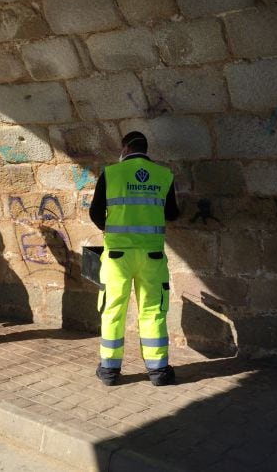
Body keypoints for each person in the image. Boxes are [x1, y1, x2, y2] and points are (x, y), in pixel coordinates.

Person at [88, 131, 180, 386]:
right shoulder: (164, 176)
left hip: (118, 257)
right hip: (152, 256)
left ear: (125, 148)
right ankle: (159, 370)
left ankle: (109, 370)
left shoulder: (111, 173)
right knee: (153, 311)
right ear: (145, 149)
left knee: (113, 309)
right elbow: (172, 213)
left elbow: (95, 213)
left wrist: (110, 227)